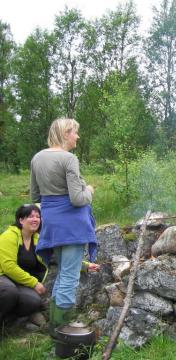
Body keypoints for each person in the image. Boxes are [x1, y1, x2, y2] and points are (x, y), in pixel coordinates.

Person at [30, 118, 98, 337]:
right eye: (75, 133)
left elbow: (35, 196)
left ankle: (54, 326)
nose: (78, 137)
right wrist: (89, 190)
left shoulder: (37, 158)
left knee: (62, 274)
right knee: (70, 277)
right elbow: (78, 199)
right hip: (72, 226)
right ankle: (62, 330)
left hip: (51, 224)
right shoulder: (69, 159)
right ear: (66, 133)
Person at [0, 204, 47, 326]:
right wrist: (34, 283)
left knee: (33, 301)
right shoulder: (9, 236)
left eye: (38, 216)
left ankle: (7, 322)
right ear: (21, 220)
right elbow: (8, 266)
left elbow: (57, 257)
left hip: (18, 281)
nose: (35, 219)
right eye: (31, 216)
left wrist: (84, 266)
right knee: (9, 292)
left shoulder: (38, 239)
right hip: (3, 276)